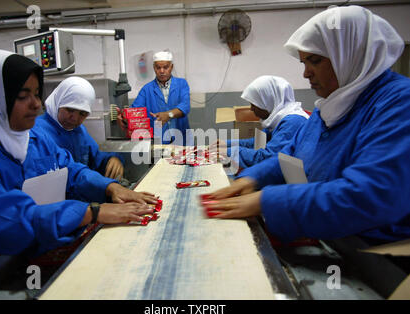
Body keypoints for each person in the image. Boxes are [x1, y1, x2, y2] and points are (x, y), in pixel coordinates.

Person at [204, 6, 410, 246]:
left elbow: (371, 197)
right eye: (304, 62)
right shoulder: (329, 107)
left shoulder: (398, 103)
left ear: (351, 53)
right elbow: (291, 158)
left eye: (315, 61)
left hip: (376, 255)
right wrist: (252, 179)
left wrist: (266, 201)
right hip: (324, 233)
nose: (305, 74)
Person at [0, 50, 157, 278]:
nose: (36, 104)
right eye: (23, 96)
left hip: (34, 249)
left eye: (36, 94)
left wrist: (110, 187)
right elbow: (5, 220)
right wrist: (90, 212)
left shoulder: (29, 136)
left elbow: (70, 170)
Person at [34, 76, 125, 180]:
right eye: (69, 110)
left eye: (82, 114)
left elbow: (98, 156)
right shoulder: (36, 132)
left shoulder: (79, 131)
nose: (74, 118)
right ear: (58, 102)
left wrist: (112, 159)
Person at [214, 75, 309, 169]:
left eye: (254, 104)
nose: (251, 109)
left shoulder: (292, 122)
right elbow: (257, 142)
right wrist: (226, 144)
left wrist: (229, 152)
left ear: (268, 101)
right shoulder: (277, 119)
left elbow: (267, 158)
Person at [129, 51, 191, 145]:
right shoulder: (147, 89)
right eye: (158, 67)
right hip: (159, 141)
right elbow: (135, 110)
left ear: (171, 67)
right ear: (154, 68)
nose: (162, 71)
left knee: (183, 159)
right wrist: (125, 118)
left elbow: (185, 106)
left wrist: (168, 115)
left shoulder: (182, 84)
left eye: (165, 67)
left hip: (182, 139)